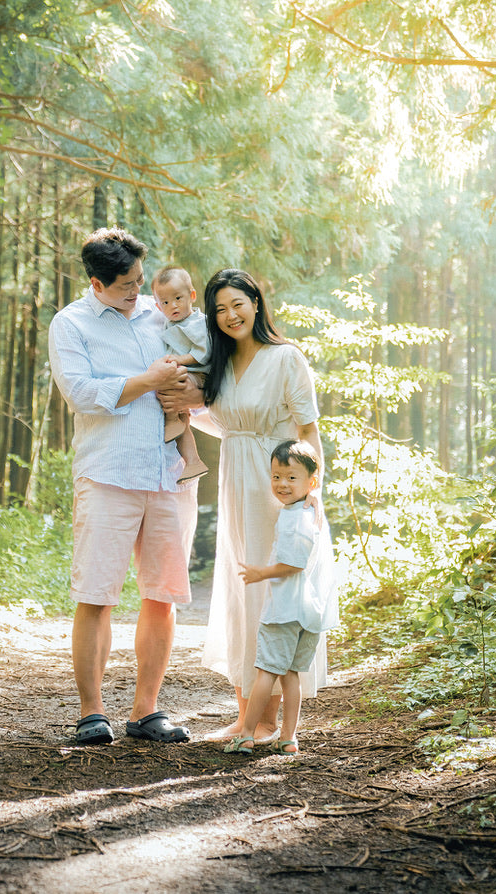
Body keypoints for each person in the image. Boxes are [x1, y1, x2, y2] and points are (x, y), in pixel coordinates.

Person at [162, 268, 327, 742]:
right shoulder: (221, 364)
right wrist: (185, 408)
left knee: (270, 595)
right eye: (219, 309)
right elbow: (230, 424)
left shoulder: (286, 358)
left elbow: (308, 429)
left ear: (256, 303)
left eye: (238, 303)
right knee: (239, 592)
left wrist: (313, 493)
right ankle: (243, 715)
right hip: (236, 483)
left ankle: (268, 720)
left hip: (278, 486)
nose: (230, 315)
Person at [48, 227, 197, 746]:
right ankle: (92, 713)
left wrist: (186, 391)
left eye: (140, 280)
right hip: (107, 474)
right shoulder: (72, 324)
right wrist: (148, 382)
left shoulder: (164, 314)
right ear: (97, 282)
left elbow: (199, 376)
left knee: (161, 596)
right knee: (96, 594)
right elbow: (83, 394)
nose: (140, 292)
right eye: (127, 285)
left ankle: (146, 712)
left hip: (166, 476)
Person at [224, 439, 339, 756]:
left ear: (310, 482)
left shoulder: (294, 518)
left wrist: (262, 573)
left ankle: (246, 733)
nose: (282, 484)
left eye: (291, 477)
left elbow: (293, 564)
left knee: (266, 672)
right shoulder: (312, 511)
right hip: (310, 612)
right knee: (291, 675)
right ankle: (288, 737)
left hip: (285, 610)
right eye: (276, 476)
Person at [151, 265, 209, 483]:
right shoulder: (171, 322)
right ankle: (193, 462)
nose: (172, 305)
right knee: (182, 417)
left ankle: (173, 419)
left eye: (178, 298)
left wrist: (179, 360)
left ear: (191, 296)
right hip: (185, 374)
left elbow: (204, 352)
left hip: (198, 374)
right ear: (158, 305)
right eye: (165, 302)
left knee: (169, 383)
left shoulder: (197, 323)